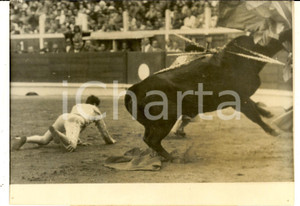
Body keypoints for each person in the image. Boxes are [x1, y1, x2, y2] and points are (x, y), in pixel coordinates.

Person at [12, 95, 117, 152]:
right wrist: (111, 141)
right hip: (75, 120)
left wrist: (79, 140)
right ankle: (57, 133)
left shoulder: (78, 105)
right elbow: (103, 131)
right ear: (95, 104)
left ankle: (26, 139)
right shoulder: (96, 110)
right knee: (71, 146)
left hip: (63, 117)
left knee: (44, 140)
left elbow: (71, 126)